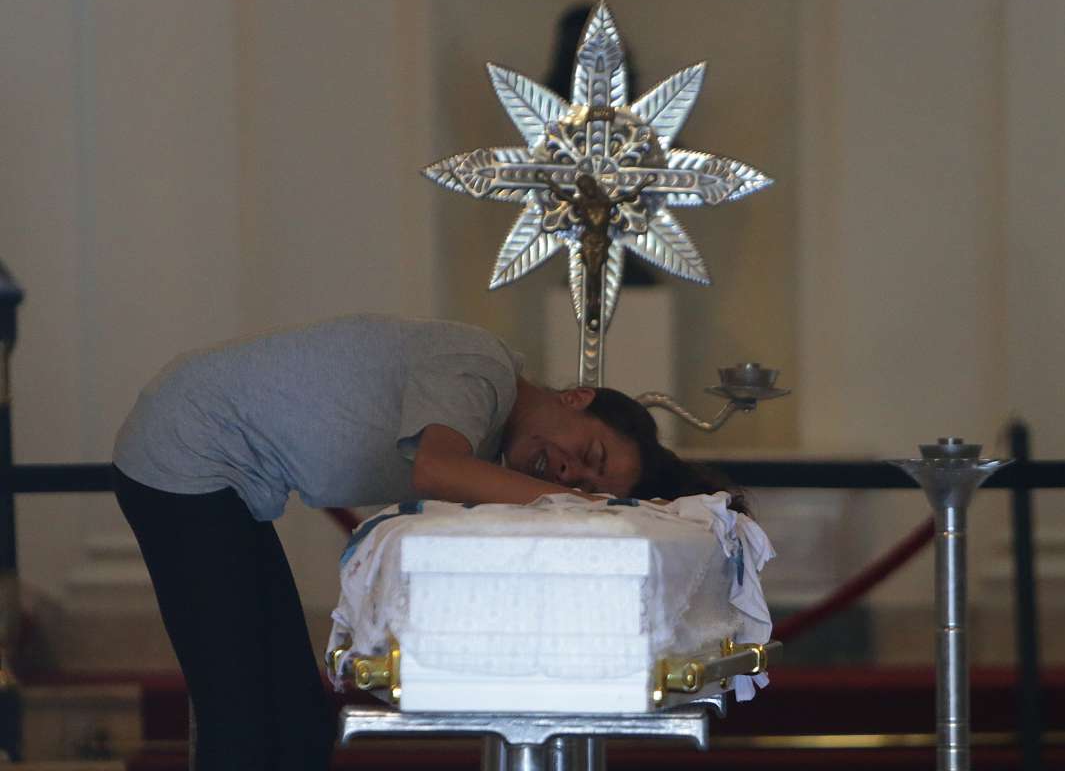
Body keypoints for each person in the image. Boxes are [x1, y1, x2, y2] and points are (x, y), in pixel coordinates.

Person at [110, 315, 740, 771]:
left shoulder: (491, 451)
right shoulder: (481, 367)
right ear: (577, 398)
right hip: (186, 449)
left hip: (226, 473)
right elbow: (435, 470)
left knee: (298, 720)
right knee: (242, 715)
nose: (569, 474)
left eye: (585, 481)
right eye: (589, 454)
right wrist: (593, 506)